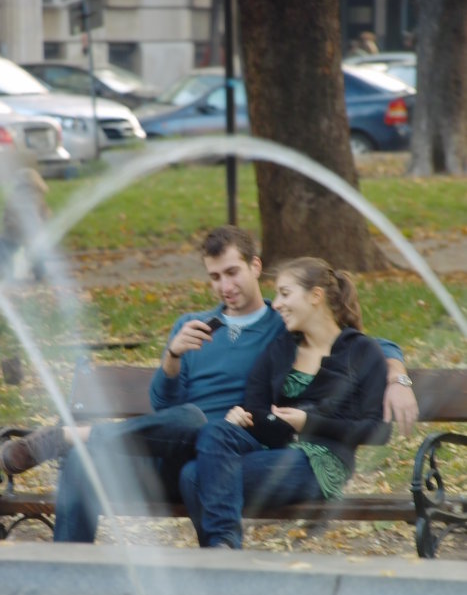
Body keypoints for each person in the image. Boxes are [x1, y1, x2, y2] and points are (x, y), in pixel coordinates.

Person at [0, 226, 417, 542]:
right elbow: (162, 406)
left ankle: (75, 436)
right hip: (172, 444)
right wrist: (172, 358)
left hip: (230, 447)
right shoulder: (191, 326)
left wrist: (397, 376)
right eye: (215, 277)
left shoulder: (285, 322)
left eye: (233, 272)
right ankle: (69, 582)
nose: (226, 286)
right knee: (95, 460)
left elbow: (363, 341)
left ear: (255, 267)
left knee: (195, 429)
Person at [179, 257, 391, 549]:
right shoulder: (280, 348)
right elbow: (256, 408)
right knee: (210, 439)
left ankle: (222, 557)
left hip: (321, 461)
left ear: (316, 296)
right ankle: (224, 549)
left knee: (196, 477)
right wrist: (244, 419)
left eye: (285, 293)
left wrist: (307, 423)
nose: (276, 303)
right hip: (272, 450)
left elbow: (378, 430)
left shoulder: (360, 351)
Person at [0, 167, 50, 281]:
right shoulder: (38, 196)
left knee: (4, 251)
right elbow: (44, 213)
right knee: (36, 253)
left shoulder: (15, 196)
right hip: (33, 232)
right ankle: (40, 273)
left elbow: (9, 215)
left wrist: (8, 223)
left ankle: (6, 273)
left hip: (14, 233)